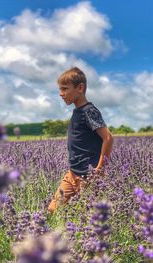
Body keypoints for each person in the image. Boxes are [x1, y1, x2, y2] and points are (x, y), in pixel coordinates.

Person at [48, 67, 114, 213]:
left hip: (87, 176)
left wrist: (100, 168)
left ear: (80, 88)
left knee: (88, 216)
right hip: (72, 173)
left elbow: (108, 138)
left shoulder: (89, 111)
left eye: (65, 89)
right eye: (60, 89)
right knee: (52, 210)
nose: (61, 94)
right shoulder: (77, 112)